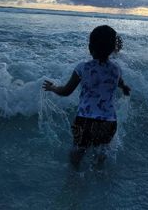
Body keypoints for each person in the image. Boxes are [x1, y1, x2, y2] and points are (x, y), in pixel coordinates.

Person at [43, 25, 130, 169]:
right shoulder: (116, 69)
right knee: (102, 151)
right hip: (108, 121)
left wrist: (52, 88)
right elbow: (119, 82)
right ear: (113, 49)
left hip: (84, 120)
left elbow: (66, 91)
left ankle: (74, 178)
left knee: (78, 151)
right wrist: (125, 88)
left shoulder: (82, 68)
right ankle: (98, 172)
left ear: (90, 48)